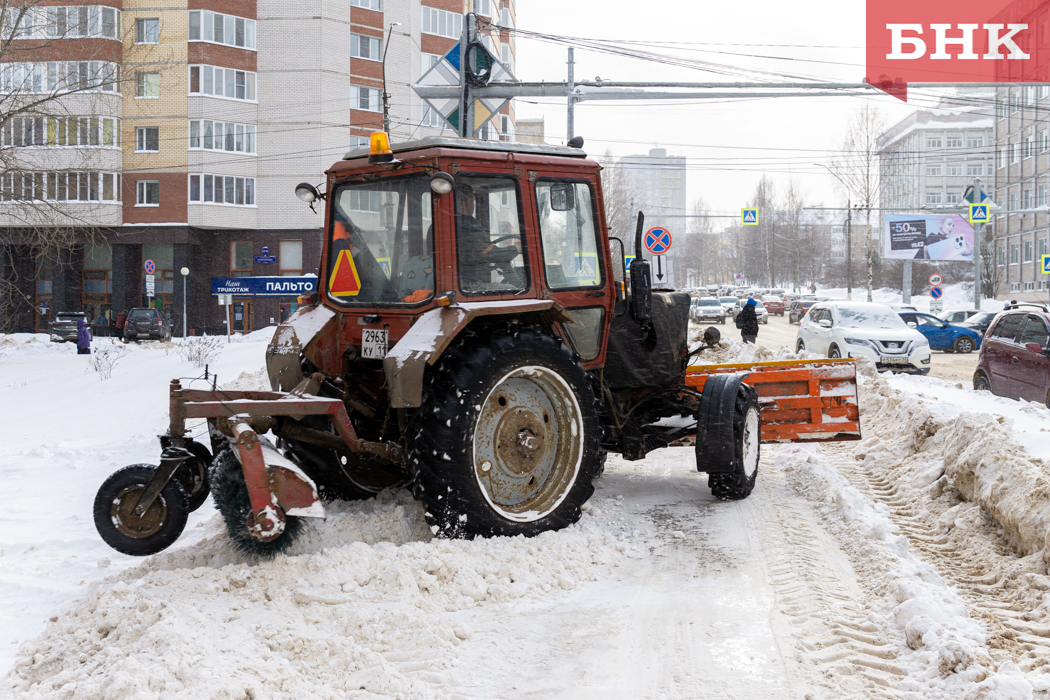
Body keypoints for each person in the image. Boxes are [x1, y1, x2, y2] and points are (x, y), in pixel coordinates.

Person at [455, 183, 520, 290]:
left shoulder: (439, 224)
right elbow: (493, 255)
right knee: (513, 289)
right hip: (465, 285)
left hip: (452, 281)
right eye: (474, 202)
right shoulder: (468, 225)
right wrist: (516, 248)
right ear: (468, 202)